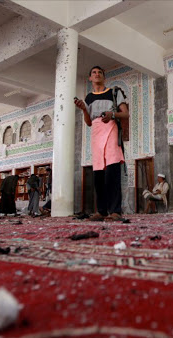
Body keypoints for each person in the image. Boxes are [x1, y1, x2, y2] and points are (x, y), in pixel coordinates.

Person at [74, 66, 129, 222]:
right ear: (90, 78)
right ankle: (102, 211)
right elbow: (89, 122)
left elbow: (125, 113)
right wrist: (84, 109)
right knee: (98, 173)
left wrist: (113, 114)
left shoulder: (114, 92)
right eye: (94, 73)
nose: (97, 74)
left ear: (104, 77)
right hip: (96, 133)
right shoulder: (89, 97)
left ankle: (115, 211)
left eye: (100, 72)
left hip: (111, 129)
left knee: (112, 171)